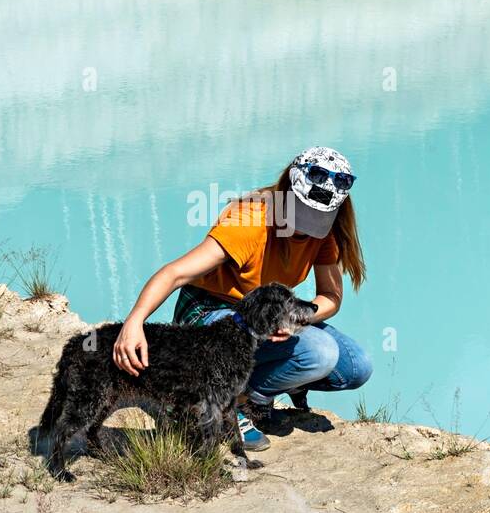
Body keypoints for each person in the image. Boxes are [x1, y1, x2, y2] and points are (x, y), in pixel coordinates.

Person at [112, 147, 372, 451]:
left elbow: (330, 296)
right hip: (210, 313)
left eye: (320, 218)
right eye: (304, 214)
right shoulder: (249, 222)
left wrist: (297, 320)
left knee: (356, 366)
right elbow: (176, 273)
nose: (310, 227)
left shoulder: (323, 233)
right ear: (288, 193)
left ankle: (262, 392)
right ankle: (226, 402)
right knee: (321, 352)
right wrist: (134, 321)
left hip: (263, 313)